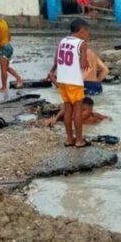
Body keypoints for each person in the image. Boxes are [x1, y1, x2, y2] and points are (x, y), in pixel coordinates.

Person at [48, 18, 90, 148]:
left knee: (67, 109)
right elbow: (84, 65)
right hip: (74, 81)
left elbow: (56, 61)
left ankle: (69, 139)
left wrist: (51, 72)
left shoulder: (62, 41)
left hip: (62, 80)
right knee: (77, 110)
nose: (88, 34)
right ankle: (79, 140)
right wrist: (85, 61)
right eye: (87, 31)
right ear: (82, 30)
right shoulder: (81, 43)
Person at [0, 4, 23, 92]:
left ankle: (4, 87)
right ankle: (19, 78)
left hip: (3, 48)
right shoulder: (3, 22)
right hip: (9, 46)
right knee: (6, 68)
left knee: (3, 69)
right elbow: (9, 35)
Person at [44, 97, 111, 127]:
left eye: (88, 110)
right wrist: (55, 119)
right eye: (83, 110)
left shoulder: (94, 115)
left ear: (91, 109)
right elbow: (64, 111)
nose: (85, 112)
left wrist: (105, 122)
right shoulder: (74, 114)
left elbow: (108, 118)